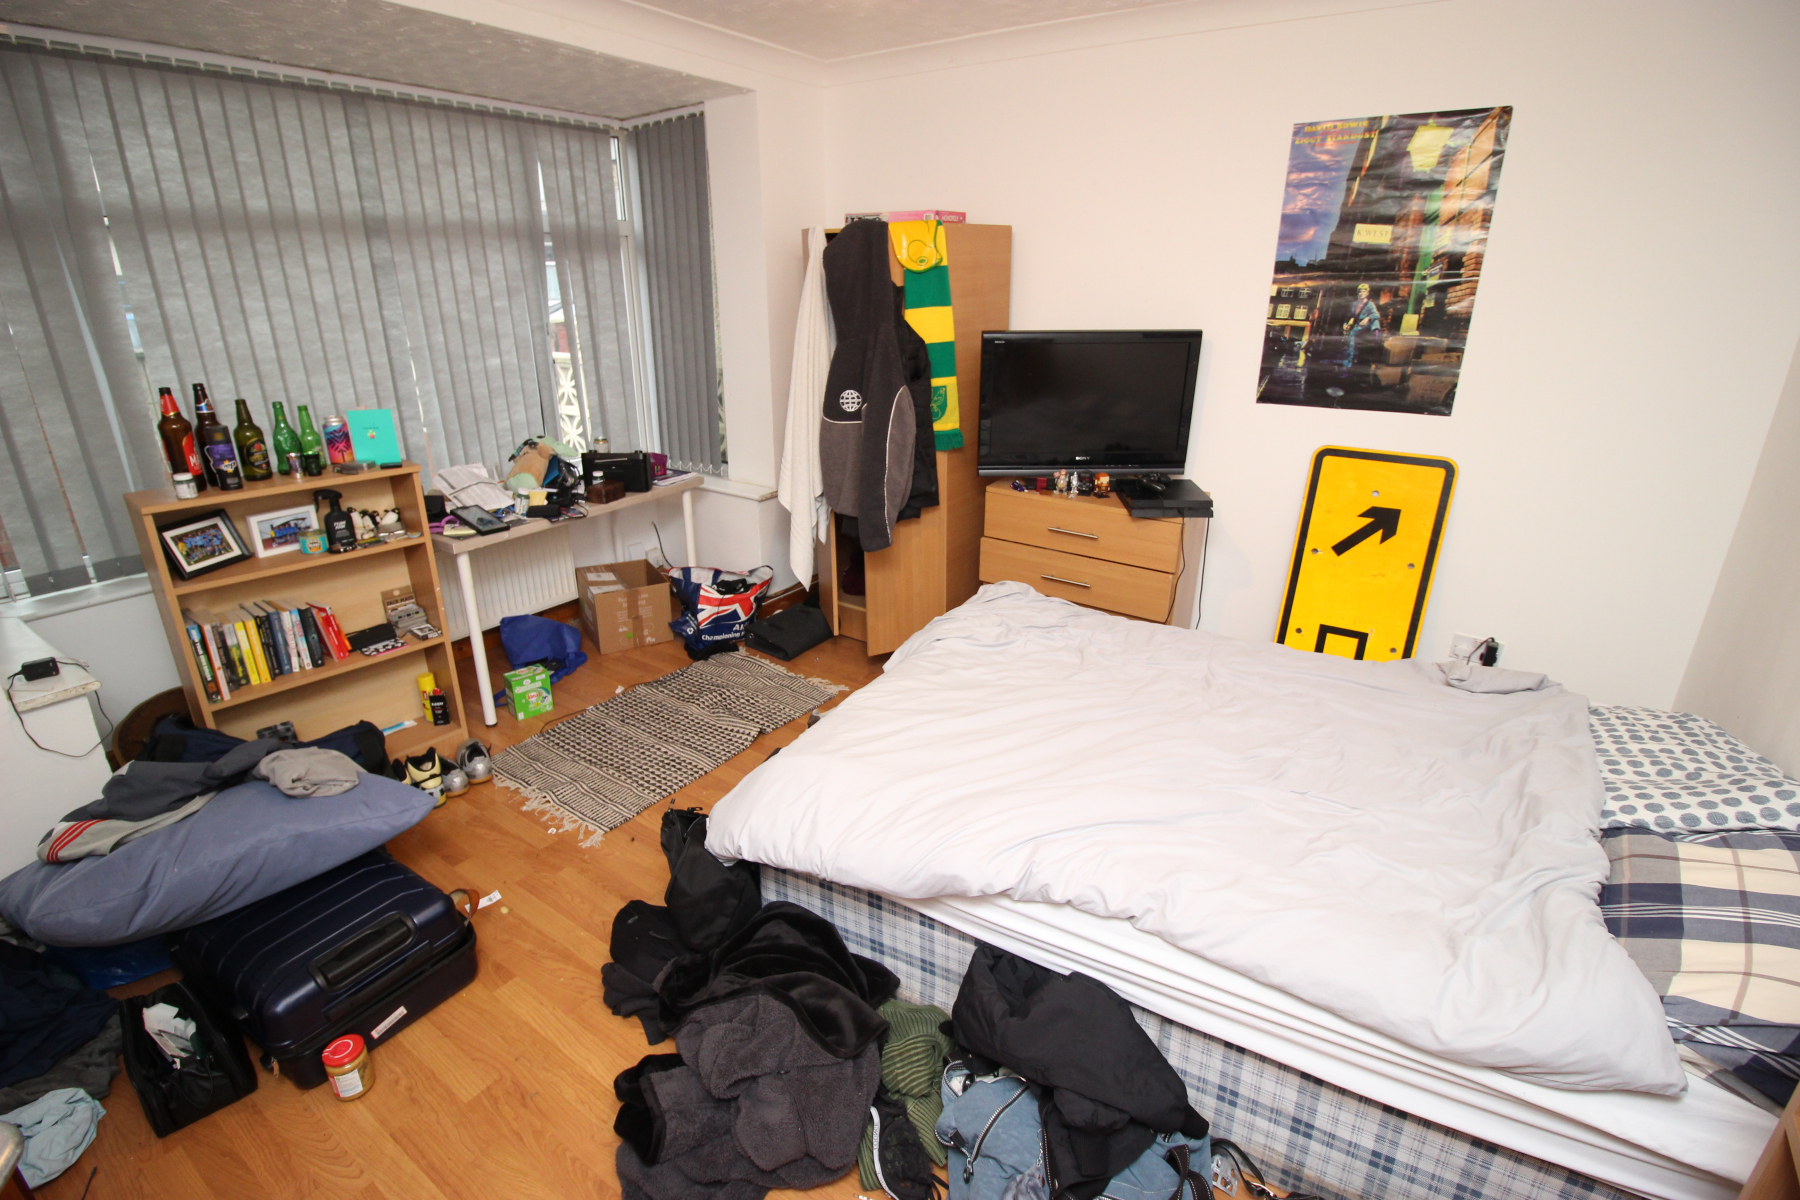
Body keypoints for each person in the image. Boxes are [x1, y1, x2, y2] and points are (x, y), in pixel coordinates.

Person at [1341, 283, 1382, 366]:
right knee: (1351, 337)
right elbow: (1349, 316)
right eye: (1360, 291)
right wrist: (1345, 323)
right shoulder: (1354, 304)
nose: (1361, 293)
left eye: (1364, 291)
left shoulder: (1370, 304)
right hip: (1356, 326)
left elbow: (1376, 315)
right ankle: (1350, 361)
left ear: (1367, 293)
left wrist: (1368, 318)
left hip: (1365, 327)